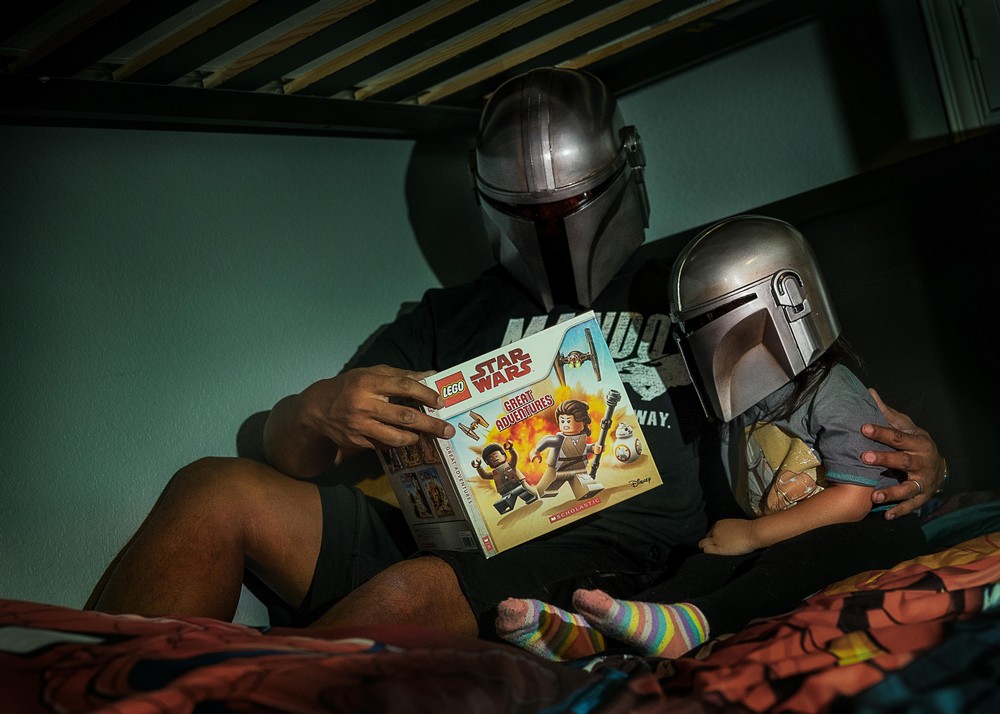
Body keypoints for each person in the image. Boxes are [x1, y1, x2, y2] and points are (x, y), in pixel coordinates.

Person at [85, 68, 946, 642]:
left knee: (412, 594)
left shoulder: (691, 285)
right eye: (528, 214)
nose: (553, 231)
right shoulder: (446, 314)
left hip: (603, 554)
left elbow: (819, 404)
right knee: (213, 490)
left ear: (624, 175)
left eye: (571, 205)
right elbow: (288, 456)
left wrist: (917, 462)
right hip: (424, 529)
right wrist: (314, 411)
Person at [495, 214, 930, 660]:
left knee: (790, 563)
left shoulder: (832, 390)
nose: (707, 338)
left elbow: (854, 500)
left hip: (869, 531)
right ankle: (594, 632)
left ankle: (699, 623)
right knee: (703, 566)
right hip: (778, 532)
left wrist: (755, 535)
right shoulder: (741, 402)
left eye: (716, 318)